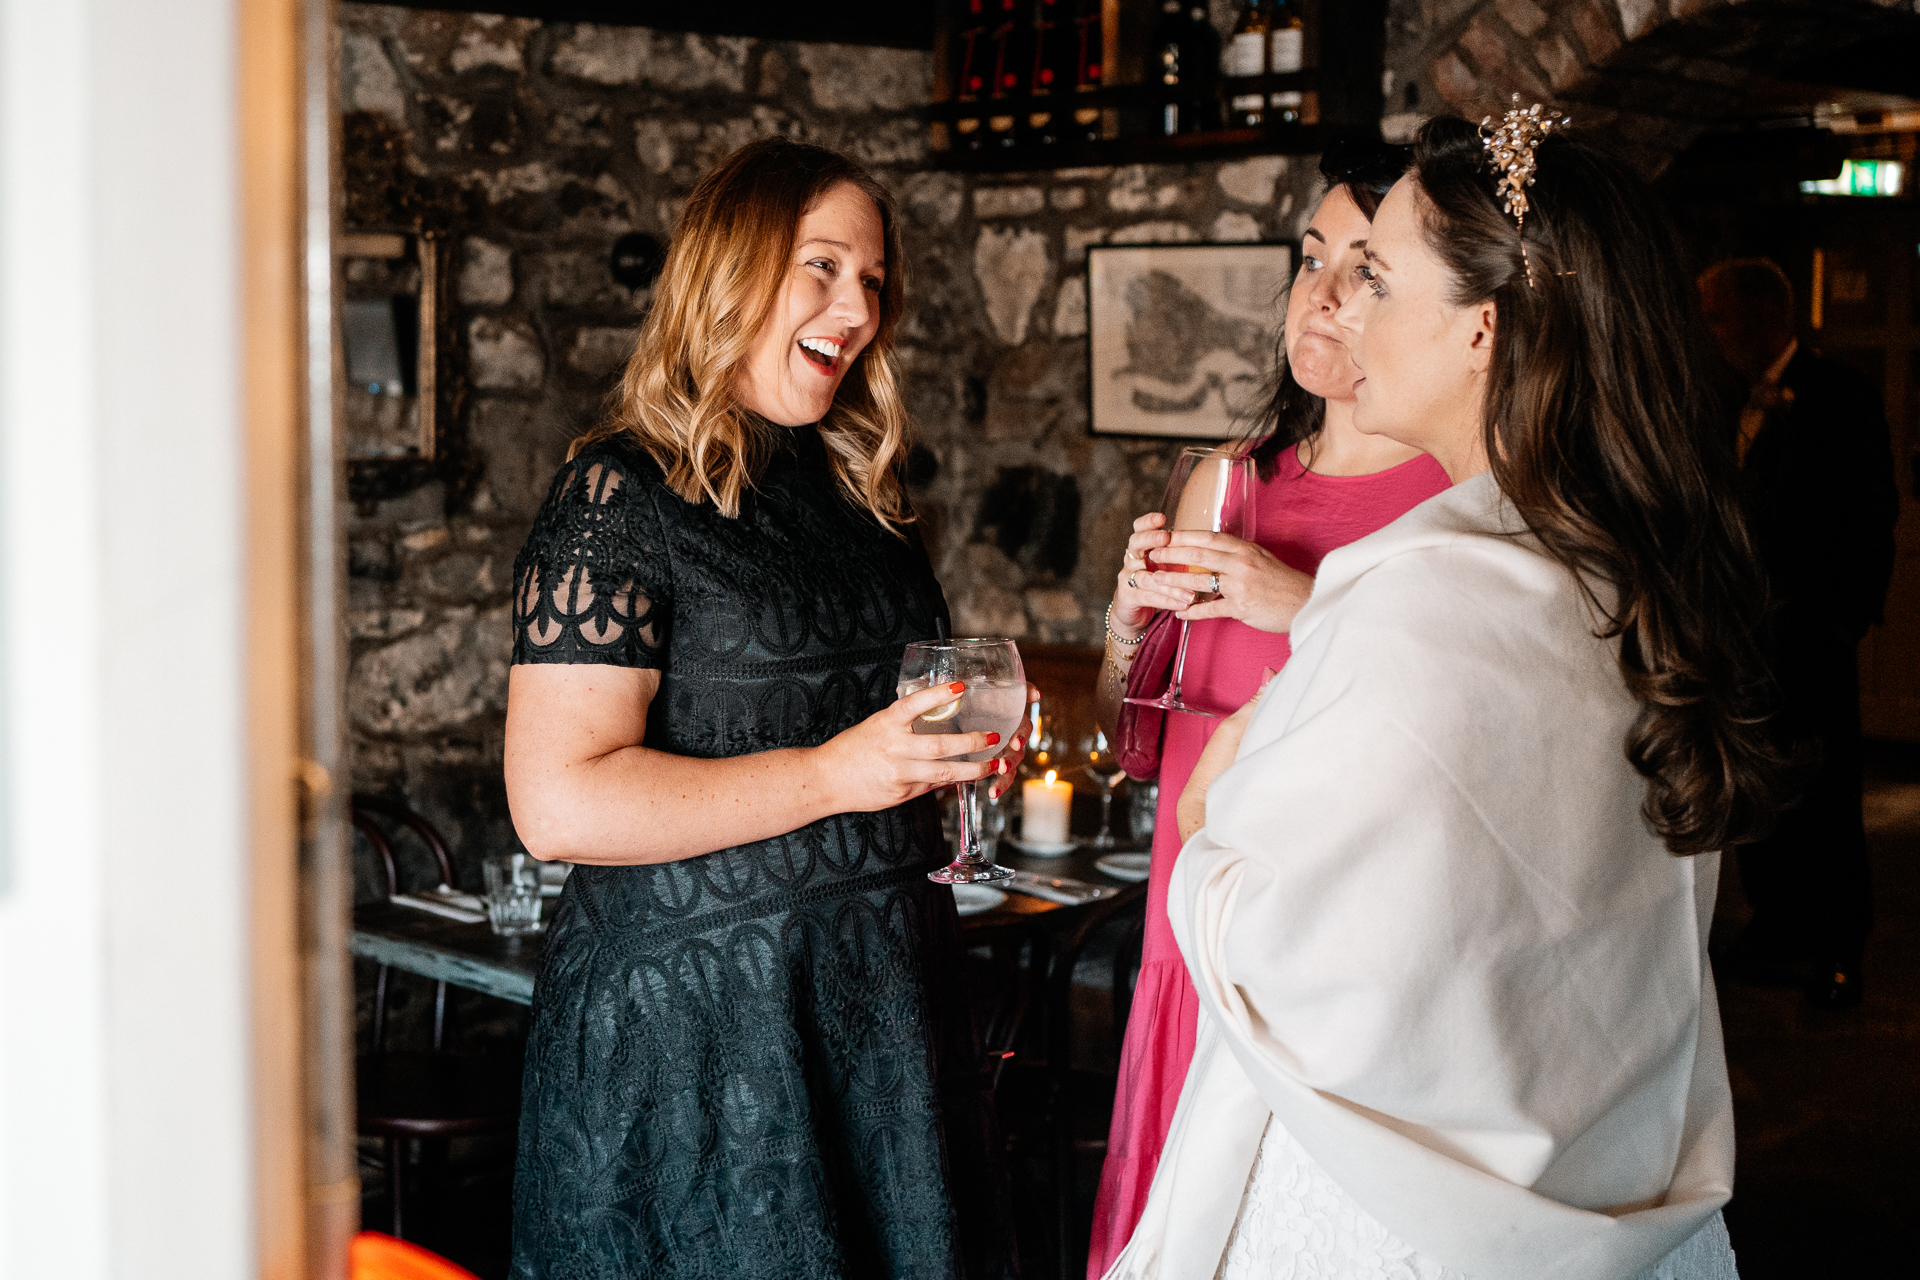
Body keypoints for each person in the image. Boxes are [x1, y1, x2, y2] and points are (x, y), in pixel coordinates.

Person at [1103, 112, 1783, 1280]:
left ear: (1485, 328)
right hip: (1589, 1160)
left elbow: (1266, 938)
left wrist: (1218, 804)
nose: (1338, 313)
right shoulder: (1623, 570)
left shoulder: (1411, 600)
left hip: (1392, 1198)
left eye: (1375, 276)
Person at [502, 137, 1024, 1279]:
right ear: (730, 270)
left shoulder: (859, 492)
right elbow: (557, 801)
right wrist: (843, 773)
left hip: (879, 1019)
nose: (858, 306)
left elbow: (890, 720)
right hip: (699, 1048)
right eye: (823, 267)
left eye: (874, 280)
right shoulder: (617, 494)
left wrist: (942, 751)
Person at [1085, 140, 1451, 1277]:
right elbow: (1133, 742)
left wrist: (1307, 602)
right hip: (1186, 925)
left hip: (1326, 951)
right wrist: (1124, 625)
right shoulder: (1228, 482)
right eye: (1310, 258)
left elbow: (1455, 734)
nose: (1325, 295)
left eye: (1367, 268)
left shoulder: (1457, 497)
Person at [1698, 257, 1898, 1009]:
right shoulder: (1724, 398)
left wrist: (1841, 618)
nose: (1710, 332)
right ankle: (1776, 927)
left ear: (1758, 316)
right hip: (1742, 636)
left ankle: (1837, 946)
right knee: (1760, 786)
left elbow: (1870, 512)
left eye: (1716, 315)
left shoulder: (1837, 393)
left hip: (1809, 632)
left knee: (1825, 795)